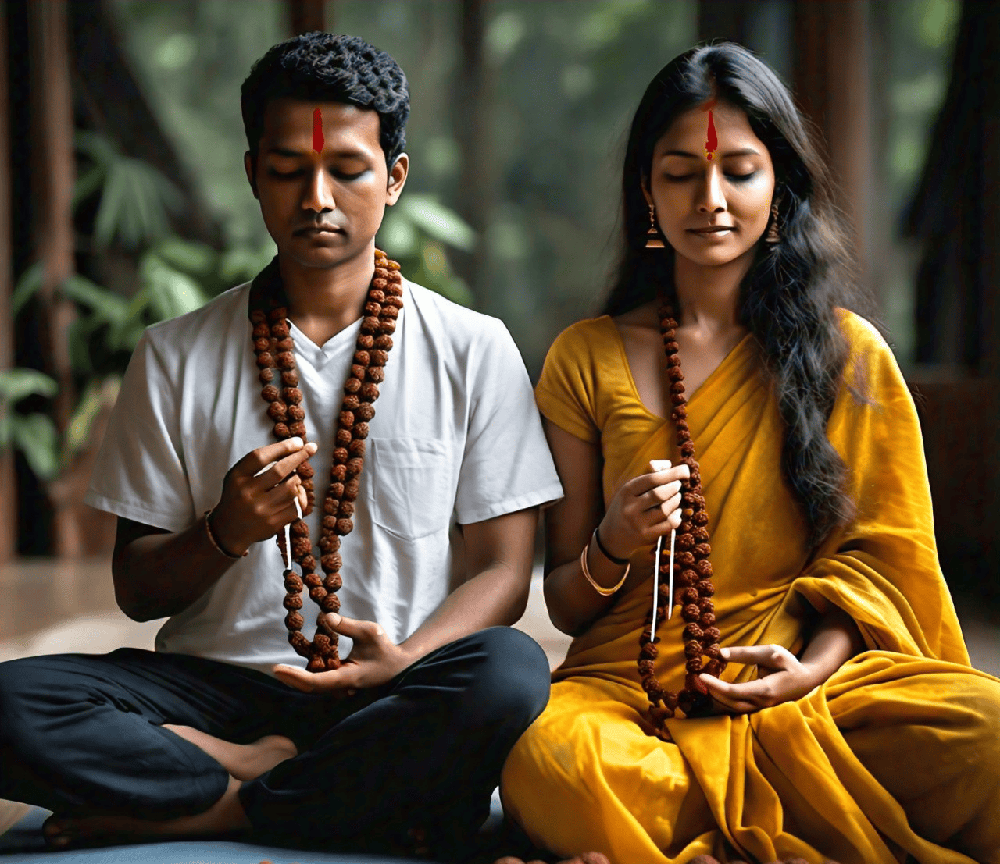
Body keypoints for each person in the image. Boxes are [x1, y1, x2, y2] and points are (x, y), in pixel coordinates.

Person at [0, 32, 563, 859]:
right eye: (289, 170)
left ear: (396, 178)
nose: (318, 198)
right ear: (253, 174)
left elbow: (506, 571)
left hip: (393, 685)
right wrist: (225, 531)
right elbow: (136, 586)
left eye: (348, 168)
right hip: (213, 691)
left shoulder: (473, 347)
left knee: (509, 673)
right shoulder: (174, 353)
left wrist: (407, 658)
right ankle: (314, 788)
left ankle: (222, 804)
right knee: (13, 702)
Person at [498, 42, 1000, 864]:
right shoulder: (584, 356)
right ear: (646, 191)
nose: (711, 199)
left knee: (987, 739)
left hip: (814, 684)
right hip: (633, 697)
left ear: (781, 185)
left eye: (739, 170)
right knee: (555, 765)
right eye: (680, 175)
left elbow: (881, 564)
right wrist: (613, 543)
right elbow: (563, 604)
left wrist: (808, 671)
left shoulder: (850, 355)